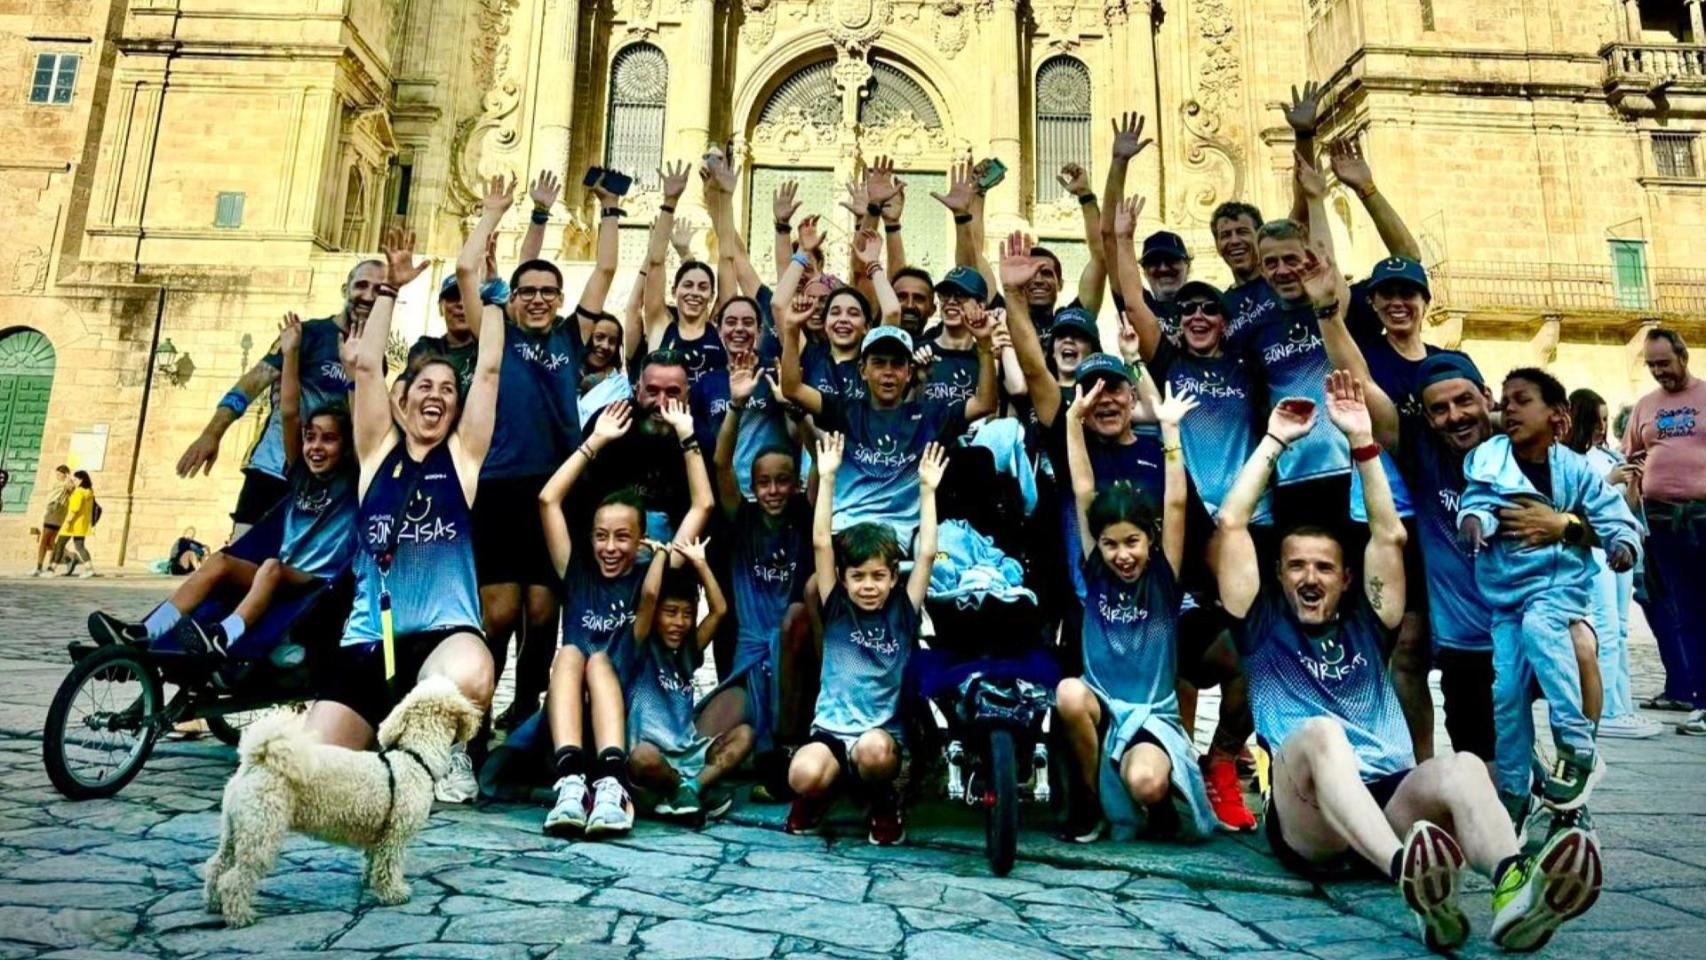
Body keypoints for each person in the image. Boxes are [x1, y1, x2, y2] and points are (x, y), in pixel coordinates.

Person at [1217, 371, 1602, 953]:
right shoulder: (1261, 625)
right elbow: (1231, 524)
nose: (1309, 576)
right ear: (1279, 575)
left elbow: (1387, 535)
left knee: (1464, 766)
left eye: (1324, 567)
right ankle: (1411, 878)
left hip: (1392, 800)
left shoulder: (1369, 623)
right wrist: (1273, 442)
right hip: (1311, 818)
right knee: (1321, 734)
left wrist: (1362, 442)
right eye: (1296, 566)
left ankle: (1512, 886)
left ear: (1347, 579)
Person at [304, 202, 504, 807]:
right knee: (316, 776)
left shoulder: (463, 457)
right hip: (371, 642)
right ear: (403, 398)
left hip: (442, 640)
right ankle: (384, 745)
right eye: (425, 387)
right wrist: (390, 286)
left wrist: (490, 286)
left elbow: (490, 367)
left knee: (473, 669)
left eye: (447, 388)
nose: (437, 396)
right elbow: (365, 362)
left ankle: (446, 750)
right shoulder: (374, 454)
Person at [89, 313, 358, 655]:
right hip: (279, 570)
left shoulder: (353, 478)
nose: (317, 447)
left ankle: (224, 637)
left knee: (271, 568)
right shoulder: (300, 472)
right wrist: (290, 353)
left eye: (329, 440)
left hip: (315, 578)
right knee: (219, 562)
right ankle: (145, 632)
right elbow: (290, 412)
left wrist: (353, 375)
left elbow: (363, 427)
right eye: (311, 438)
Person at [1459, 368, 1641, 819]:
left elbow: (1612, 513)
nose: (1509, 409)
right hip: (1506, 600)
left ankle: (1577, 746)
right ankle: (1515, 789)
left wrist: (1621, 543)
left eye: (1522, 400)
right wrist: (1476, 522)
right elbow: (1477, 502)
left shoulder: (1576, 470)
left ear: (1556, 414)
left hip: (1558, 589)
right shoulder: (1490, 461)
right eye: (1505, 401)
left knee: (1543, 629)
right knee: (1506, 690)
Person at [479, 173, 619, 731]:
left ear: (560, 301)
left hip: (556, 491)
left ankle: (525, 708)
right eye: (527, 293)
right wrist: (532, 217)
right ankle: (476, 710)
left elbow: (605, 271)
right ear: (512, 301)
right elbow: (502, 277)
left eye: (548, 293)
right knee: (500, 612)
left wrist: (610, 208)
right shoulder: (501, 336)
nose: (538, 299)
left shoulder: (569, 338)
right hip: (498, 486)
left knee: (543, 612)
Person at [537, 398, 713, 837]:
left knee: (596, 660)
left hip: (624, 717)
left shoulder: (647, 573)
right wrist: (595, 441)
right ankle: (572, 783)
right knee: (573, 655)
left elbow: (703, 506)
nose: (610, 547)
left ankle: (611, 783)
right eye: (600, 536)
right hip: (571, 718)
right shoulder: (577, 569)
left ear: (640, 541)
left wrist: (688, 437)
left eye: (621, 537)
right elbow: (548, 500)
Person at [1054, 380, 1220, 842]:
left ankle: (1161, 803)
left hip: (1151, 715)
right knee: (1068, 693)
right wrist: (1072, 420)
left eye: (1132, 542)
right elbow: (1085, 490)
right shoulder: (1095, 574)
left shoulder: (1164, 580)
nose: (1122, 554)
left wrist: (1169, 433)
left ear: (1150, 540)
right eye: (1110, 544)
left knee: (1145, 782)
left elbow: (1176, 501)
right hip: (1103, 707)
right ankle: (1087, 802)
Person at [778, 227, 995, 546]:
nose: (889, 373)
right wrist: (792, 330)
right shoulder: (844, 412)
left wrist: (986, 347)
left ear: (910, 372)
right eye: (879, 363)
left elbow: (985, 404)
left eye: (897, 364)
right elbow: (793, 389)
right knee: (812, 591)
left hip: (901, 539)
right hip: (847, 532)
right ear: (863, 370)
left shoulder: (931, 415)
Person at [785, 435, 946, 844]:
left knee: (875, 754)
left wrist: (927, 491)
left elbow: (926, 553)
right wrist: (828, 478)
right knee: (802, 774)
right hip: (832, 732)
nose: (868, 586)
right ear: (843, 579)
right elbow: (823, 541)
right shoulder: (836, 607)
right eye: (858, 577)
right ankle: (822, 794)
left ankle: (882, 800)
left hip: (880, 735)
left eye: (878, 577)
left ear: (894, 578)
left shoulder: (903, 612)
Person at [177, 259, 382, 538]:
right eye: (362, 285)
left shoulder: (374, 357)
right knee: (240, 557)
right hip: (273, 470)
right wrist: (212, 434)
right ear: (345, 289)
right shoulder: (307, 334)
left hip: (325, 481)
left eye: (379, 290)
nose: (369, 296)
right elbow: (252, 382)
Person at [702, 352, 813, 775]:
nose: (772, 490)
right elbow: (721, 463)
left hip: (791, 655)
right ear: (753, 486)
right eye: (763, 482)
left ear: (796, 483)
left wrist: (793, 411)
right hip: (748, 658)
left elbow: (820, 459)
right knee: (704, 737)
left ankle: (783, 748)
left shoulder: (804, 518)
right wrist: (736, 406)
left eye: (782, 481)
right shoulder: (740, 520)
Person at [625, 538, 751, 819]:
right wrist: (660, 555)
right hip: (651, 757)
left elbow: (719, 610)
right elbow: (648, 597)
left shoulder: (687, 651)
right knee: (642, 757)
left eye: (687, 615)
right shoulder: (639, 648)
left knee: (744, 735)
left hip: (687, 752)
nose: (679, 623)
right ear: (655, 614)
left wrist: (701, 563)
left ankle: (691, 788)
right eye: (670, 613)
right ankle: (677, 788)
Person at [1623, 328, 1706, 734]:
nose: (1659, 372)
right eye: (1653, 365)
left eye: (1664, 364)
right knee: (1686, 612)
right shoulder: (1645, 407)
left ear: (1683, 357)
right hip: (1661, 520)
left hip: (1703, 515)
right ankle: (1702, 701)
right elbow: (1631, 460)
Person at [1567, 388, 1663, 739]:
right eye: (1598, 419)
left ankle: (1622, 705)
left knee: (1620, 628)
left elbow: (1629, 505)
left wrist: (1633, 481)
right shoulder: (1573, 459)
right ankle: (1604, 709)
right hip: (1595, 547)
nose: (1603, 426)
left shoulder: (1607, 455)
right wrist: (1611, 482)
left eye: (1607, 420)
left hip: (1623, 544)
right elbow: (1581, 500)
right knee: (1605, 627)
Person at [55, 471, 97, 578]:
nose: (74, 482)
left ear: (81, 480)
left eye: (75, 480)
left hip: (72, 524)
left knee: (59, 544)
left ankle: (51, 568)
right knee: (80, 546)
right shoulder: (89, 492)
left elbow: (74, 509)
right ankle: (89, 568)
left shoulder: (78, 492)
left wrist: (68, 522)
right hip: (81, 524)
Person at [33, 465, 72, 576]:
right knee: (48, 542)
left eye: (60, 474)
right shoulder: (57, 484)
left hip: (57, 514)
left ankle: (42, 567)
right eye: (57, 474)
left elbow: (70, 488)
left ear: (65, 474)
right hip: (51, 513)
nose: (58, 476)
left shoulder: (68, 484)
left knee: (45, 540)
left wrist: (69, 477)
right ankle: (68, 557)